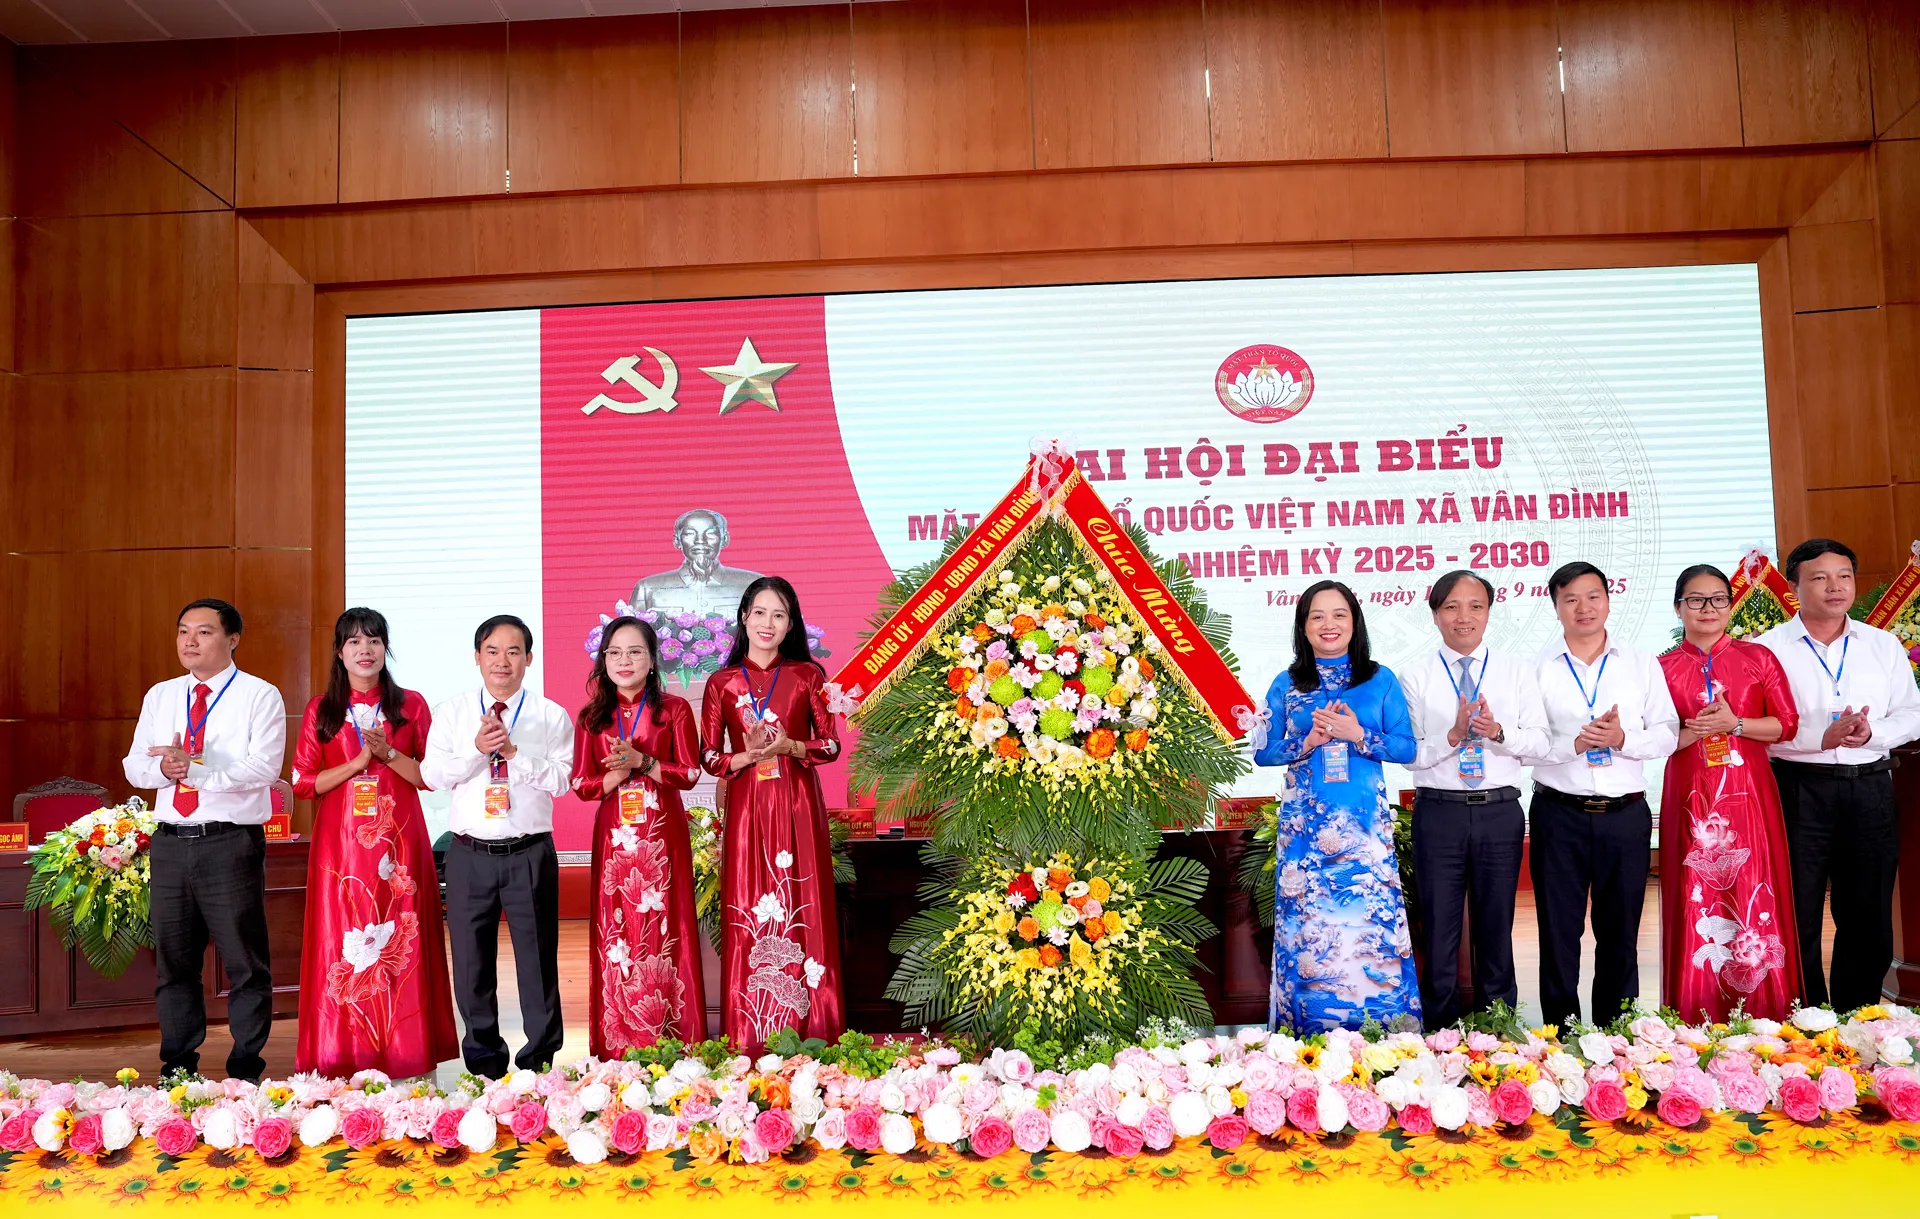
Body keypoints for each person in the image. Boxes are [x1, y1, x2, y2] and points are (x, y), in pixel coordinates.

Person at [289, 608, 459, 1078]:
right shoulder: (322, 710)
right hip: (340, 849)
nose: (365, 650)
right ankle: (342, 1054)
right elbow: (303, 783)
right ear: (339, 652)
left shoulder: (411, 706)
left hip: (399, 845)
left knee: (401, 937)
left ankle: (407, 1054)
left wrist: (387, 753)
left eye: (374, 641)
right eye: (354, 642)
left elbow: (428, 777)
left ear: (386, 649)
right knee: (344, 940)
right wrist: (358, 762)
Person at [122, 599, 287, 1081]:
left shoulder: (259, 695)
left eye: (204, 632)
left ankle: (245, 1070)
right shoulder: (161, 695)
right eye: (183, 631)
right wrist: (165, 768)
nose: (189, 641)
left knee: (245, 963)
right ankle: (178, 1069)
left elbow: (263, 768)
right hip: (170, 843)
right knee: (174, 964)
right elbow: (135, 766)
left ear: (232, 639)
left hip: (228, 843)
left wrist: (194, 770)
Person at [1759, 539, 1920, 1011]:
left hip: (1869, 787)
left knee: (1867, 914)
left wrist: (1873, 732)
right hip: (1797, 789)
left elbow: (1912, 713)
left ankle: (1857, 1019)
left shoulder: (1881, 645)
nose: (1835, 586)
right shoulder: (1767, 651)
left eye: (1844, 576)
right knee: (1797, 912)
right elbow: (1757, 727)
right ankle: (1806, 1020)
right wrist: (1818, 738)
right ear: (1793, 587)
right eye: (1820, 577)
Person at [1253, 580, 1421, 1032]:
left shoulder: (1379, 679)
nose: (1329, 624)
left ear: (1354, 622)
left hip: (1364, 830)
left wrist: (1359, 736)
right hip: (1305, 832)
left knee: (1368, 925)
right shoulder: (1286, 683)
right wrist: (1305, 742)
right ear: (1303, 627)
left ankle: (1383, 1031)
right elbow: (1262, 752)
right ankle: (1304, 1033)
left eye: (1339, 614)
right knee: (1309, 928)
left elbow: (1407, 748)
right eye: (1318, 616)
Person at [1525, 562, 1679, 1026]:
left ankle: (1617, 1032)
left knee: (1620, 932)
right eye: (1570, 599)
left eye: (1593, 596)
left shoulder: (1640, 663)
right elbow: (1525, 744)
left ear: (1609, 601)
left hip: (1624, 816)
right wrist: (1573, 745)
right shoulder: (1534, 668)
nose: (1584, 608)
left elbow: (1668, 732)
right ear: (1555, 606)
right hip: (1559, 813)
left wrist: (1622, 739)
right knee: (1558, 932)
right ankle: (1559, 1034)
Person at [422, 615, 575, 1076]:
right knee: (471, 964)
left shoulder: (550, 715)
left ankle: (538, 1064)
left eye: (513, 651)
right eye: (492, 651)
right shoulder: (452, 712)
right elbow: (432, 775)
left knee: (537, 961)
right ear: (477, 657)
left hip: (530, 852)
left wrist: (513, 754)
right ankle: (485, 1062)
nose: (502, 661)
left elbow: (563, 780)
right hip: (469, 854)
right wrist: (476, 750)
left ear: (529, 658)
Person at [699, 576, 846, 1052]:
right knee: (748, 900)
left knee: (803, 899)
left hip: (797, 804)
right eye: (759, 612)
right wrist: (744, 756)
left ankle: (814, 1027)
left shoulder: (808, 676)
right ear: (744, 617)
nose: (768, 623)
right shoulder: (722, 683)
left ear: (790, 625)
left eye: (779, 615)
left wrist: (791, 746)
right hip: (746, 807)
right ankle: (750, 1033)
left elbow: (831, 745)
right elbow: (708, 757)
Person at [1398, 570, 1549, 1030]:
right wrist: (1454, 735)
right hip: (1438, 812)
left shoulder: (1517, 670)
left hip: (1499, 811)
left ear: (1488, 613)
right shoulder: (1414, 676)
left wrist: (1498, 732)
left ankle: (1497, 1028)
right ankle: (1438, 1033)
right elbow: (1409, 754)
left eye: (1475, 606)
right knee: (1439, 928)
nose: (1464, 617)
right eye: (1452, 607)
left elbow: (1540, 743)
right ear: (1435, 615)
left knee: (1496, 927)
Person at [1659, 565, 1801, 1022]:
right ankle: (1693, 1012)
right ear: (1678, 607)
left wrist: (1734, 724)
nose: (1708, 608)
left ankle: (1768, 1010)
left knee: (1756, 888)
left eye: (1718, 598)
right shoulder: (1660, 668)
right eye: (1696, 600)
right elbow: (1649, 738)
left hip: (1749, 796)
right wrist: (1694, 731)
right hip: (1690, 797)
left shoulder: (1757, 658)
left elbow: (1786, 725)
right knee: (1694, 894)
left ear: (1730, 604)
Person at [570, 615, 708, 1055]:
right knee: (618, 934)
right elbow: (581, 785)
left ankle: (674, 1039)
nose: (623, 660)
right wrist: (619, 774)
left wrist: (643, 763)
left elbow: (689, 773)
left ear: (651, 661)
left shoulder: (674, 710)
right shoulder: (592, 717)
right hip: (615, 841)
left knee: (666, 927)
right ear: (603, 660)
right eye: (614, 652)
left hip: (662, 838)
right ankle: (619, 1044)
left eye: (634, 652)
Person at [631, 509, 764, 617]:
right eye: (690, 534)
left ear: (725, 539)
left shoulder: (754, 585)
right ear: (677, 541)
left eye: (711, 534)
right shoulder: (647, 589)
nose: (700, 540)